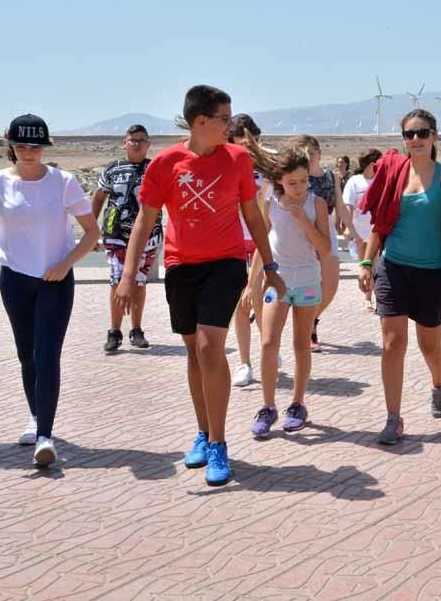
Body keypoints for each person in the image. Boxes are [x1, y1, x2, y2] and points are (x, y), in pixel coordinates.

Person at [114, 85, 285, 486]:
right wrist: (127, 276)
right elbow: (145, 220)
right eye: (225, 118)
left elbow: (253, 215)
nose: (231, 125)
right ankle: (204, 433)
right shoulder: (166, 164)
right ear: (201, 121)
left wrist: (271, 265)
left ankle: (221, 445)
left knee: (211, 346)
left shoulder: (238, 159)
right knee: (194, 352)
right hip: (181, 266)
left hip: (225, 263)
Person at [0, 114, 99, 468]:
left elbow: (92, 233)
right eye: (21, 145)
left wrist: (65, 263)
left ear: (44, 147)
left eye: (35, 146)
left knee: (47, 354)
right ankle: (36, 416)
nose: (28, 152)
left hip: (56, 281)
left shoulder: (63, 182)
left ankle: (45, 437)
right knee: (27, 354)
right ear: (11, 146)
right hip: (15, 280)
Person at [358, 109, 441, 444]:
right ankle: (393, 417)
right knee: (392, 343)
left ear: (435, 136)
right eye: (409, 134)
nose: (415, 139)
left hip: (431, 272)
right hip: (394, 267)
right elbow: (381, 222)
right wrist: (366, 262)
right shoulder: (393, 171)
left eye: (422, 132)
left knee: (429, 346)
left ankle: (439, 382)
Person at [242, 140, 329, 437]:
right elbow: (262, 243)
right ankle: (267, 407)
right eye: (292, 182)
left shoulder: (315, 203)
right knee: (268, 343)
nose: (299, 187)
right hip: (277, 281)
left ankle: (297, 404)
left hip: (307, 280)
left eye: (304, 181)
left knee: (301, 344)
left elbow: (325, 249)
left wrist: (303, 219)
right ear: (279, 179)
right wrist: (252, 282)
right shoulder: (269, 200)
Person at [91, 124, 163, 353]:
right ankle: (114, 330)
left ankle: (137, 329)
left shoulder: (155, 169)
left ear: (148, 144)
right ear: (125, 143)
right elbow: (98, 198)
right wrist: (91, 231)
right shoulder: (112, 169)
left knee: (139, 282)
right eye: (132, 140)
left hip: (148, 236)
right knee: (116, 281)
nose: (136, 144)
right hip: (116, 235)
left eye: (141, 140)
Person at [290, 134, 357, 352]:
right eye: (304, 154)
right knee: (310, 283)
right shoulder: (297, 178)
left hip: (325, 228)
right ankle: (308, 330)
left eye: (311, 153)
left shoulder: (331, 176)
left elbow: (340, 205)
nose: (308, 157)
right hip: (302, 230)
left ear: (319, 153)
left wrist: (353, 230)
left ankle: (312, 319)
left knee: (330, 286)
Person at [228, 114, 268, 387]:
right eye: (238, 142)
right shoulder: (224, 164)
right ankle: (245, 362)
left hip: (261, 241)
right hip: (231, 241)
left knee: (261, 301)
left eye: (249, 142)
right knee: (239, 305)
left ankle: (269, 348)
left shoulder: (267, 167)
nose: (244, 148)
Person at [342, 148, 381, 311]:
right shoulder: (355, 181)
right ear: (372, 164)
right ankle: (367, 297)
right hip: (360, 233)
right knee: (365, 265)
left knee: (377, 265)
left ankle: (375, 298)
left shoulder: (381, 181)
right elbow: (348, 205)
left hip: (378, 231)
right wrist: (348, 227)